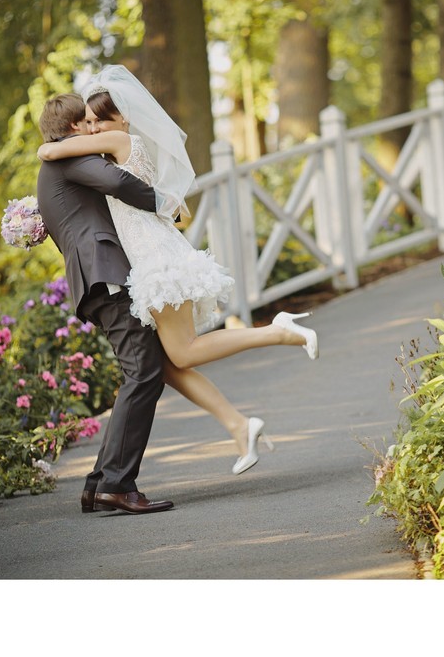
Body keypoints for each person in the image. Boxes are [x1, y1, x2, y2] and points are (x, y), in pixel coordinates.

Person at [37, 65, 319, 475]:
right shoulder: (106, 149)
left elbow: (52, 152)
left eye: (99, 120)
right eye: (89, 122)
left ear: (123, 117)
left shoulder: (117, 140)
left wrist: (49, 148)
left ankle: (279, 331)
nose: (94, 129)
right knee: (167, 363)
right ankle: (240, 426)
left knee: (182, 352)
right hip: (148, 254)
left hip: (154, 257)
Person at [36, 93, 173, 514]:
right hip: (104, 274)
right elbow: (116, 182)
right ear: (75, 128)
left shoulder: (54, 162)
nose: (95, 130)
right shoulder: (69, 159)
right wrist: (164, 202)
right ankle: (117, 484)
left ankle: (99, 483)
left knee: (141, 369)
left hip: (95, 278)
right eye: (88, 124)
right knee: (144, 371)